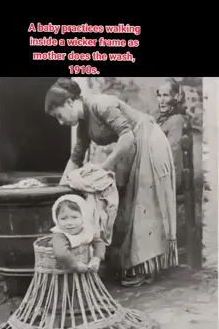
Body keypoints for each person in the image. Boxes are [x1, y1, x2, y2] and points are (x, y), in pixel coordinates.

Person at [45, 78, 178, 287]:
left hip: (149, 140)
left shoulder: (100, 103)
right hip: (135, 147)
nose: (61, 122)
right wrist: (59, 193)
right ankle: (134, 264)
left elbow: (128, 138)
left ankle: (146, 269)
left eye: (59, 116)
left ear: (70, 102)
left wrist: (102, 168)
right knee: (126, 202)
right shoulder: (83, 124)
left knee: (143, 203)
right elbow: (76, 157)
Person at [51, 194, 105, 273]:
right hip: (66, 271)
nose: (69, 223)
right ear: (57, 221)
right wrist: (76, 264)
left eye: (74, 217)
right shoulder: (60, 235)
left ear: (83, 217)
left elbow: (99, 242)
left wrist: (96, 258)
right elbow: (61, 252)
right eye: (63, 219)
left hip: (86, 267)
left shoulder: (86, 230)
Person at [156, 78, 188, 192]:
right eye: (159, 95)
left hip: (168, 177)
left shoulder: (177, 121)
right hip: (157, 171)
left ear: (176, 98)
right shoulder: (161, 119)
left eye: (166, 95)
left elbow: (171, 155)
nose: (161, 100)